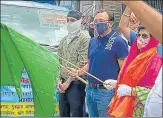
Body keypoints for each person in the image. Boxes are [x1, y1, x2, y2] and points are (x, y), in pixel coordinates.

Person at [68, 9, 129, 117]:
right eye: (95, 21)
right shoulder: (93, 41)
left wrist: (116, 93)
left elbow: (125, 70)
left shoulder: (118, 41)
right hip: (90, 89)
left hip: (106, 92)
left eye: (100, 20)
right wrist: (78, 72)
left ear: (110, 23)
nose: (97, 24)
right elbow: (90, 63)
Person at [106, 23, 162, 116]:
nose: (140, 39)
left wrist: (131, 91)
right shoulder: (135, 55)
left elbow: (155, 92)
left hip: (140, 109)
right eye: (138, 35)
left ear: (153, 39)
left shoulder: (156, 60)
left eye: (144, 36)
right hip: (127, 103)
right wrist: (117, 83)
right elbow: (131, 79)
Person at [57, 10, 90, 117]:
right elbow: (58, 61)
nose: (70, 23)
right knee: (63, 111)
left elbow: (81, 64)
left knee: (76, 112)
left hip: (76, 82)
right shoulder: (63, 40)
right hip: (62, 83)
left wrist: (68, 82)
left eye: (73, 20)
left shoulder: (85, 39)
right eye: (68, 20)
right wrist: (59, 81)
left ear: (80, 21)